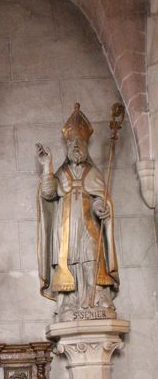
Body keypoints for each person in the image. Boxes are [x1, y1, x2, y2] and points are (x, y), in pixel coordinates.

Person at [37, 103, 119, 321]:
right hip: (65, 229)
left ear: (86, 147)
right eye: (72, 142)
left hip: (88, 225)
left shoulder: (94, 172)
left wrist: (101, 206)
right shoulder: (61, 172)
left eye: (80, 142)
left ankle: (95, 299)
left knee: (92, 257)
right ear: (67, 147)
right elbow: (48, 193)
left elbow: (101, 197)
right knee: (70, 261)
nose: (76, 146)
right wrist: (47, 166)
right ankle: (69, 304)